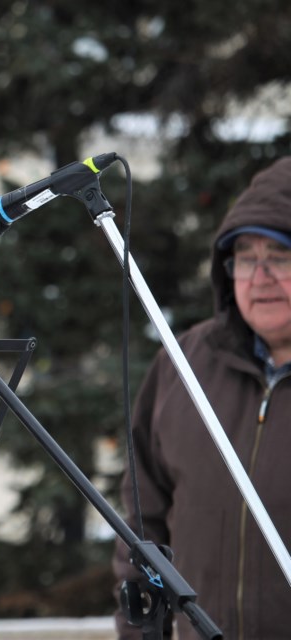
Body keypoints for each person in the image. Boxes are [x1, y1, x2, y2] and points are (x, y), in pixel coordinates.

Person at [112, 156, 291, 639]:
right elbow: (142, 520)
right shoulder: (185, 362)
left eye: (280, 256)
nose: (260, 276)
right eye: (246, 258)